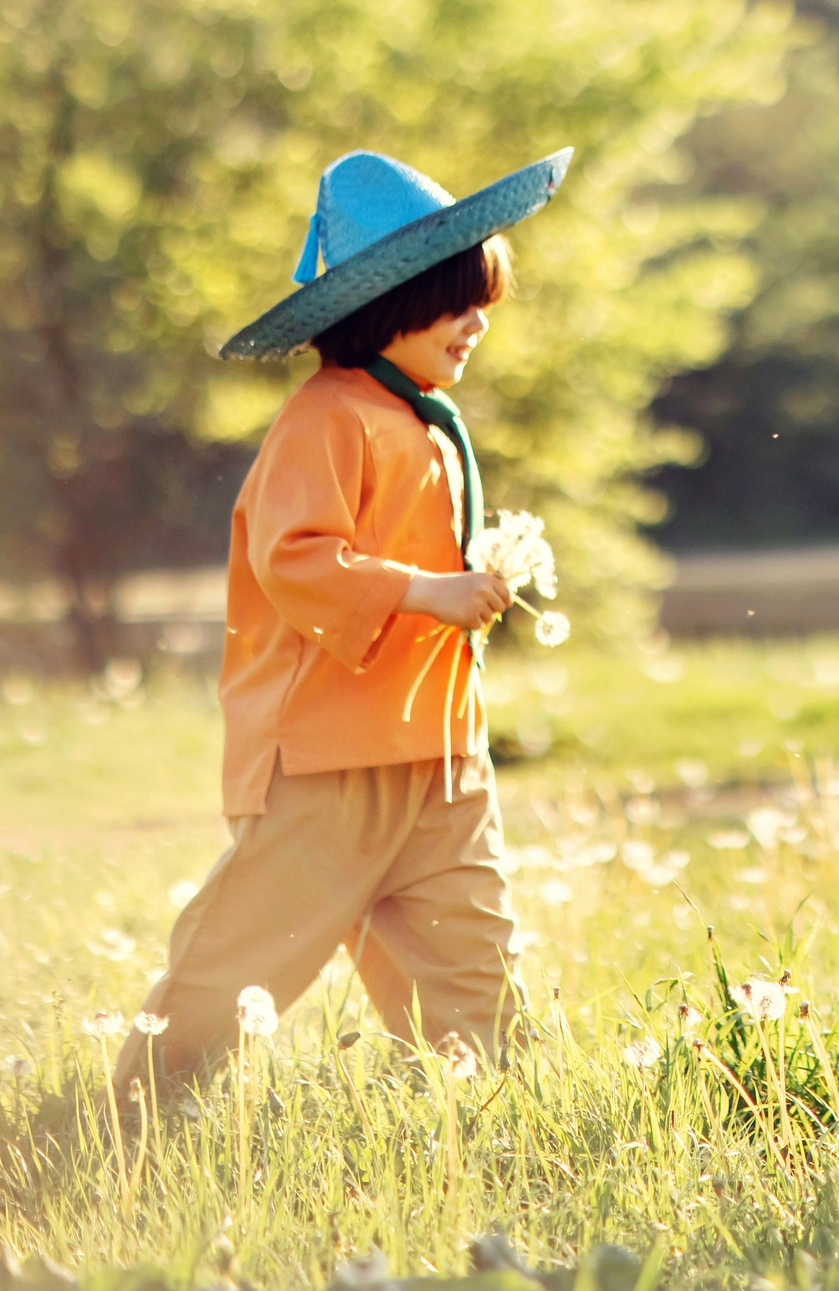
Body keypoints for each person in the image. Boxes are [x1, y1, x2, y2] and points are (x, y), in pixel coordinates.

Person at [112, 147, 572, 1103]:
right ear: (386, 308)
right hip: (330, 757)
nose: (478, 322)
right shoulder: (329, 417)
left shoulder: (426, 419)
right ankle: (136, 1115)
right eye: (458, 302)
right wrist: (426, 590)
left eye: (482, 299)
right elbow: (296, 559)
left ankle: (492, 1118)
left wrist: (476, 581)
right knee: (245, 955)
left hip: (441, 752)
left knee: (473, 962)